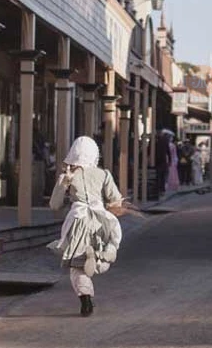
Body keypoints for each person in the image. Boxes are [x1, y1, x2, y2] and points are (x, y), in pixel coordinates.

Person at [48, 136, 129, 317]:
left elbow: (55, 205)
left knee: (77, 265)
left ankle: (85, 298)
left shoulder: (68, 176)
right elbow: (116, 201)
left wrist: (64, 183)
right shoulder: (104, 174)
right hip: (99, 221)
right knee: (107, 246)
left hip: (78, 222)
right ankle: (101, 255)